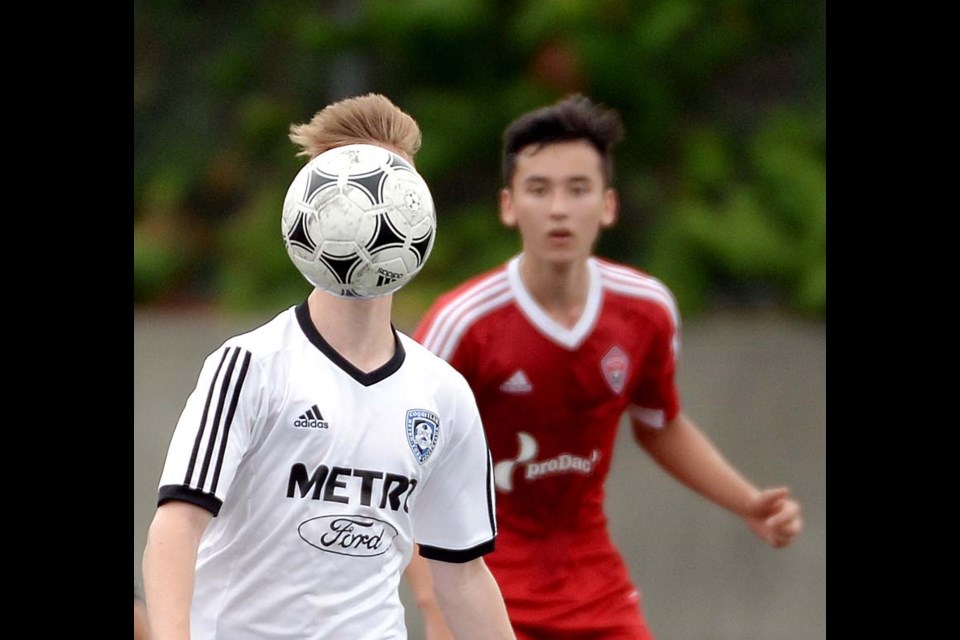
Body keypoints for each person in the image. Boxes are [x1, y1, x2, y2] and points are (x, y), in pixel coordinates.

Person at [404, 94, 804, 639]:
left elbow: (661, 425)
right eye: (539, 189)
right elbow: (406, 465)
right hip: (485, 590)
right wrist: (434, 602)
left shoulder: (647, 311)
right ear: (508, 205)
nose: (559, 208)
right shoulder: (463, 322)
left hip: (595, 586)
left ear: (608, 205)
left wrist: (747, 501)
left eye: (578, 188)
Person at [141, 93, 515, 640]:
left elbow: (462, 576)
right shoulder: (249, 367)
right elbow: (175, 529)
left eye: (392, 188)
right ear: (315, 209)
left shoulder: (444, 394)